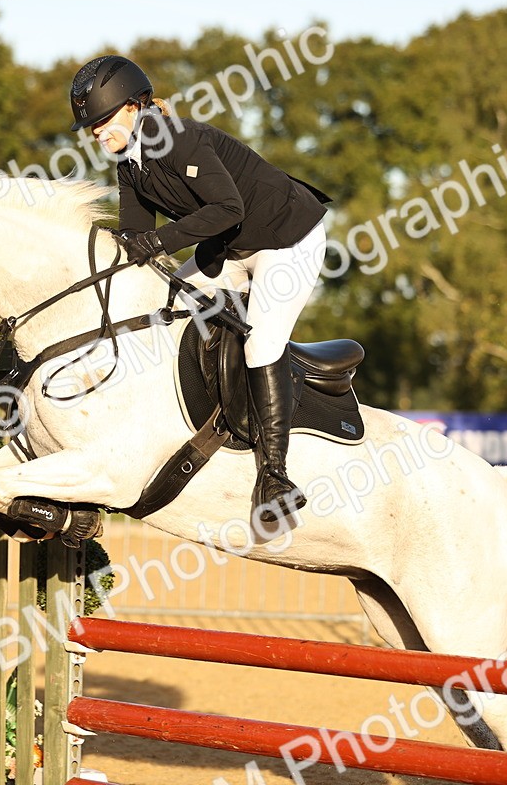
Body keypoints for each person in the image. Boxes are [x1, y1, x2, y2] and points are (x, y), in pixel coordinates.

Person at [70, 55, 331, 523]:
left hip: (287, 239)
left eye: (103, 120)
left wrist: (160, 241)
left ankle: (275, 476)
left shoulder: (180, 140)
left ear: (134, 107)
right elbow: (135, 237)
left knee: (262, 341)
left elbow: (228, 207)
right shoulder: (130, 166)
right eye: (92, 126)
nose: (96, 132)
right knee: (158, 308)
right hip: (232, 249)